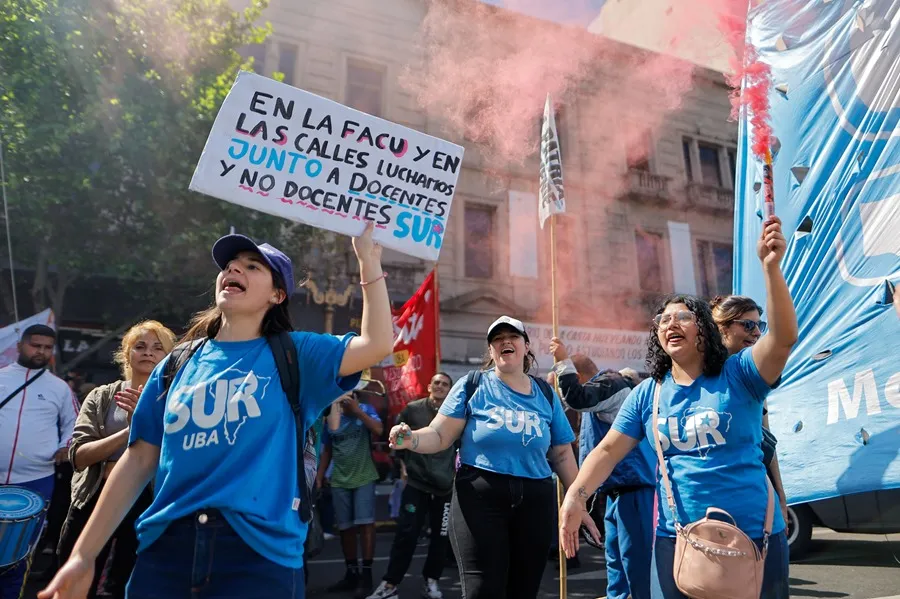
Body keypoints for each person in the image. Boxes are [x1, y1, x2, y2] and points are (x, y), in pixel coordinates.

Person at [40, 221, 393, 599]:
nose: (234, 269)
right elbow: (139, 460)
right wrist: (82, 555)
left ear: (277, 295)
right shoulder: (174, 365)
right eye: (230, 264)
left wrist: (368, 263)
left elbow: (376, 344)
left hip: (258, 557)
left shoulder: (298, 355)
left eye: (252, 266)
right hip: (165, 552)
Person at [559, 217, 796, 599]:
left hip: (755, 535)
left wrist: (771, 268)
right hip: (678, 541)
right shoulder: (646, 395)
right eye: (663, 319)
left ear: (703, 327)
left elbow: (784, 339)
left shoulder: (740, 373)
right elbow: (606, 452)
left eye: (683, 315)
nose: (671, 322)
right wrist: (575, 497)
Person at [389, 316, 600, 599]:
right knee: (483, 592)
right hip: (480, 497)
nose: (505, 342)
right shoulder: (472, 385)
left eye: (512, 337)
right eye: (497, 339)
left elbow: (561, 453)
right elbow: (439, 436)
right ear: (491, 351)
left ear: (526, 347)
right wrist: (411, 438)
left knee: (523, 591)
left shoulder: (546, 394)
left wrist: (578, 499)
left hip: (535, 501)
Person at [57, 321, 177, 599]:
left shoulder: (176, 403)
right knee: (72, 581)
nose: (148, 353)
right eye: (140, 346)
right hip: (93, 497)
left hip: (145, 503)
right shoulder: (101, 397)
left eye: (158, 348)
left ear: (170, 358)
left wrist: (148, 423)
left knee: (123, 585)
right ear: (126, 354)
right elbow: (79, 457)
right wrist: (130, 431)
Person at [549, 346, 654, 599]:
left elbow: (577, 398)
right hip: (617, 493)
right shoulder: (602, 399)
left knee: (638, 573)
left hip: (636, 491)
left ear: (582, 376)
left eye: (564, 384)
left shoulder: (613, 384)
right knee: (617, 572)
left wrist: (562, 360)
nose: (563, 395)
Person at [0, 324, 78, 599]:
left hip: (35, 481)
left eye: (47, 347)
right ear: (20, 346)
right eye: (35, 345)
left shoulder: (60, 389)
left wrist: (64, 447)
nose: (41, 352)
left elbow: (74, 426)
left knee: (19, 553)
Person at [367, 372, 455, 599]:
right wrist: (402, 468)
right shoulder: (413, 409)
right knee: (407, 534)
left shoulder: (456, 414)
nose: (440, 386)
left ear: (450, 390)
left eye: (445, 384)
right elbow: (395, 440)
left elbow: (463, 447)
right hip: (417, 483)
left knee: (441, 537)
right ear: (428, 386)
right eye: (436, 382)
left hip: (445, 487)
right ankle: (390, 585)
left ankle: (431, 581)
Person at [711, 295, 789, 524]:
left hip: (753, 493)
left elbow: (766, 443)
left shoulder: (754, 377)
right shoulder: (696, 377)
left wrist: (781, 498)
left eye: (759, 325)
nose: (757, 332)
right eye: (748, 325)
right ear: (721, 327)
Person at [317, 391, 383, 598]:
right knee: (345, 528)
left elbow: (378, 430)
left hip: (364, 476)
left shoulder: (365, 410)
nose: (345, 398)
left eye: (350, 394)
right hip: (339, 479)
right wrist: (320, 476)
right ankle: (351, 573)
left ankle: (367, 574)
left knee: (365, 525)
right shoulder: (331, 417)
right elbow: (327, 449)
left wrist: (357, 412)